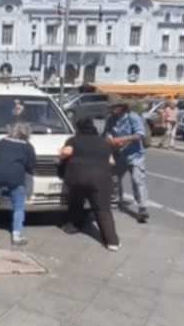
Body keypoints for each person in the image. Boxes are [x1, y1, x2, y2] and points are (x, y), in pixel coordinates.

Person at [59, 118, 120, 251]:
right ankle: (112, 242)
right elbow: (111, 162)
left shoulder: (73, 140)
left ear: (78, 129)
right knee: (103, 210)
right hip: (101, 179)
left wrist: (61, 154)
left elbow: (65, 153)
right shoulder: (104, 142)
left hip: (77, 177)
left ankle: (73, 227)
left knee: (76, 203)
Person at [103, 94, 150, 223]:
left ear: (120, 107)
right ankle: (117, 200)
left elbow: (140, 134)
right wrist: (110, 141)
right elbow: (106, 134)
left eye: (112, 108)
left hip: (135, 155)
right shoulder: (111, 119)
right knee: (114, 178)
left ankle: (142, 208)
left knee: (137, 180)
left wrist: (122, 139)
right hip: (118, 154)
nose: (110, 110)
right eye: (110, 108)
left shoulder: (133, 117)